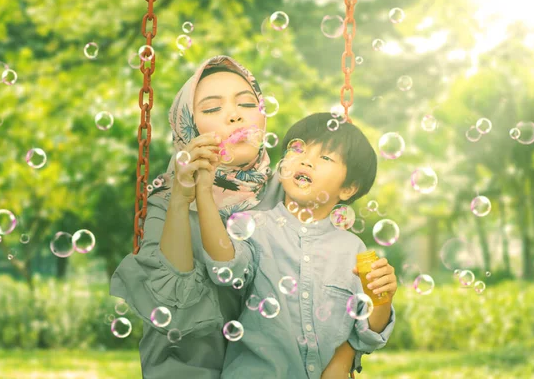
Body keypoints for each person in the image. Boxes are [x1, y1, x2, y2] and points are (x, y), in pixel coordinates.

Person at [109, 56, 362, 378]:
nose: (234, 115)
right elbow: (172, 307)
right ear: (188, 126)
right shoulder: (165, 201)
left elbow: (342, 282)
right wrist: (183, 197)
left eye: (246, 103)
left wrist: (344, 354)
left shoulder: (293, 189)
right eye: (212, 109)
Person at [196, 112, 397, 379]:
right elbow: (225, 267)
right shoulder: (252, 225)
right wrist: (203, 192)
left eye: (325, 157)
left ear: (348, 188)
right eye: (298, 149)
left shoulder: (353, 249)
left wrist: (381, 299)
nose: (307, 160)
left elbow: (368, 331)